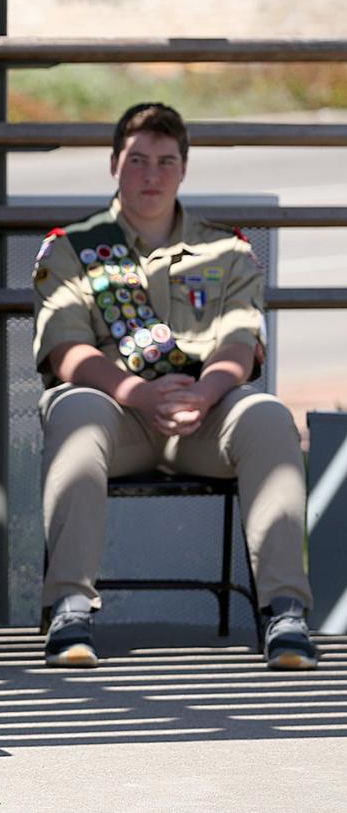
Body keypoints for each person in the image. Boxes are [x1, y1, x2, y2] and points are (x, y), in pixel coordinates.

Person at [33, 101, 317, 671]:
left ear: (183, 170)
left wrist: (204, 394)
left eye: (165, 162)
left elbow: (240, 345)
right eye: (137, 161)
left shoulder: (227, 250)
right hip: (118, 414)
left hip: (204, 417)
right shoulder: (72, 247)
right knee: (74, 412)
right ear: (114, 164)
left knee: (267, 417)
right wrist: (137, 393)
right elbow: (65, 350)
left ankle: (285, 613)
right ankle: (70, 609)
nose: (151, 175)